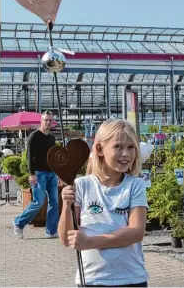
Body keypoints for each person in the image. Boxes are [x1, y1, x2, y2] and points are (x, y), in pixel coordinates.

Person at [58, 119, 148, 287]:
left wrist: (90, 242)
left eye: (131, 147)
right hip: (92, 280)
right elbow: (66, 238)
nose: (126, 154)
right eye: (118, 147)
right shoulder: (81, 185)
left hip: (131, 278)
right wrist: (66, 205)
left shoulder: (135, 185)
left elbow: (136, 232)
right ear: (99, 149)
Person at [13, 110, 59, 239]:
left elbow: (53, 157)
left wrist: (58, 173)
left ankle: (51, 231)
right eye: (46, 120)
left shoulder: (52, 138)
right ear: (41, 121)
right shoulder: (34, 136)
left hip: (51, 174)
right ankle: (18, 223)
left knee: (54, 202)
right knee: (38, 202)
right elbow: (29, 156)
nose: (48, 122)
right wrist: (31, 173)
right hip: (39, 173)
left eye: (50, 120)